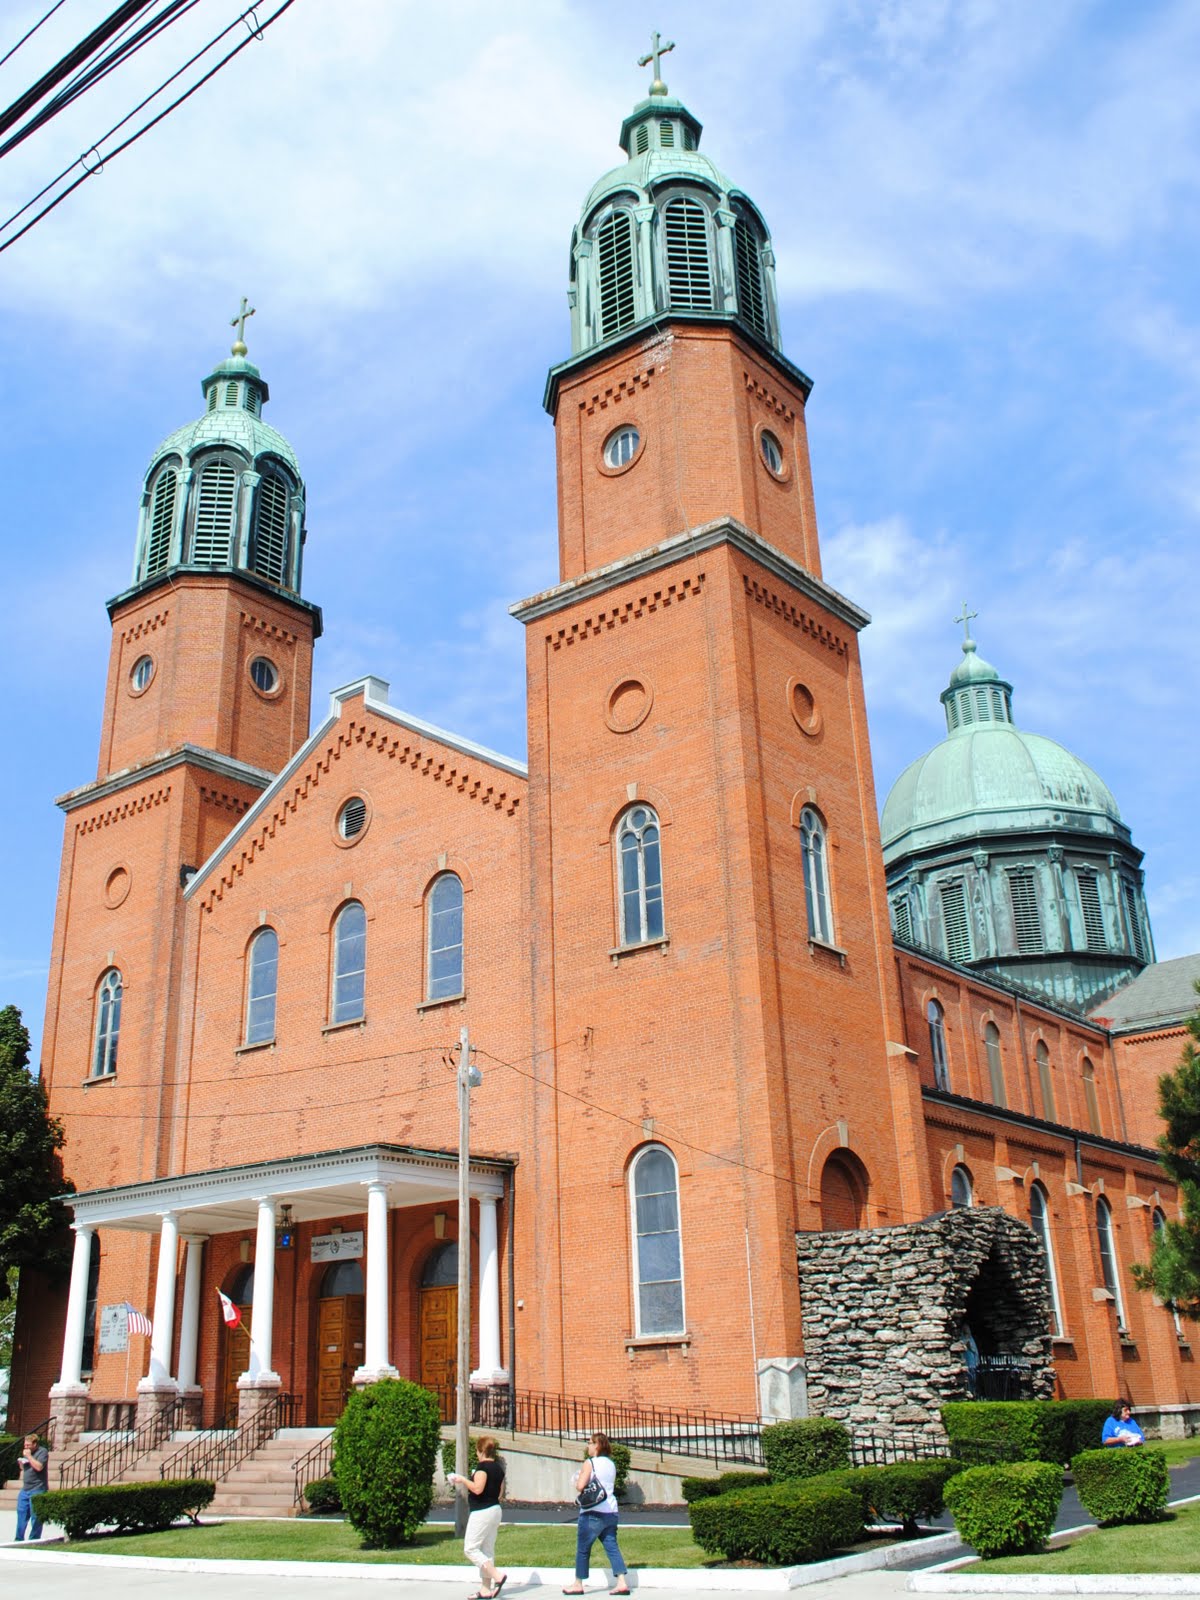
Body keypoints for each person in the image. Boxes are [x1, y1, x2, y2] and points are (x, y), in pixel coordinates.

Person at [562, 1432, 630, 1597]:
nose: (588, 1446)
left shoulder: (590, 1463)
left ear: (597, 1445)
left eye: (590, 1443)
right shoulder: (611, 1464)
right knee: (611, 1545)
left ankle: (578, 1583)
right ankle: (621, 1582)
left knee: (583, 1548)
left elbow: (580, 1486)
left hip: (592, 1511)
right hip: (611, 1511)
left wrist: (577, 1478)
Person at [448, 1435, 508, 1599]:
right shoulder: (498, 1468)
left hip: (482, 1511)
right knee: (486, 1550)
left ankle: (497, 1576)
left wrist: (462, 1480)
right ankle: (485, 1589)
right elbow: (501, 1493)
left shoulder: (482, 1468)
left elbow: (477, 1489)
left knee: (471, 1548)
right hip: (495, 1509)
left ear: (480, 1451)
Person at [15, 1433, 49, 1542]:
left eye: (28, 1445)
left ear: (35, 1444)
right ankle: (18, 1539)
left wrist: (29, 1457)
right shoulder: (26, 1453)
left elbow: (39, 1467)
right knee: (21, 1516)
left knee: (36, 1518)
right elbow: (24, 1469)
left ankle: (34, 1539)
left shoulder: (42, 1452)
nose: (26, 1447)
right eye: (25, 1445)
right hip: (25, 1489)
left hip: (38, 1489)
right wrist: (21, 1463)